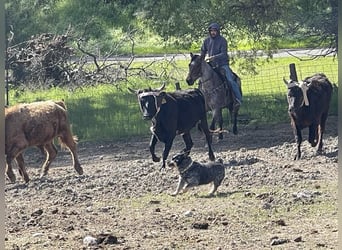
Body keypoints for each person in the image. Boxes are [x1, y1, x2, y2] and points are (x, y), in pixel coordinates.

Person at [200, 22, 242, 107]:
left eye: (214, 31)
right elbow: (203, 51)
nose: (213, 32)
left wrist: (213, 57)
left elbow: (224, 53)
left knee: (230, 80)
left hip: (222, 64)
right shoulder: (206, 41)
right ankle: (201, 101)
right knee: (201, 81)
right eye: (211, 31)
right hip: (211, 64)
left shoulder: (222, 40)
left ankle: (238, 99)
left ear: (218, 31)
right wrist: (201, 59)